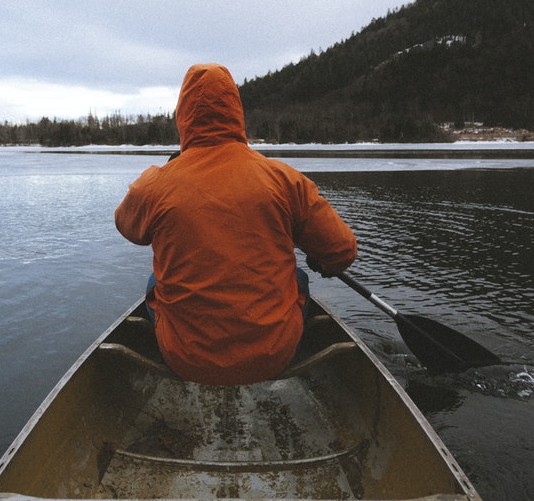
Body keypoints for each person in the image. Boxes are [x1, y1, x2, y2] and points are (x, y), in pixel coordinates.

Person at [114, 63, 357, 385]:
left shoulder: (155, 184)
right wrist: (321, 258)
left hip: (185, 359)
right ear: (236, 112)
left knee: (152, 282)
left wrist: (166, 175)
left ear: (183, 116)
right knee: (296, 276)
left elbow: (127, 226)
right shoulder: (284, 180)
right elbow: (342, 252)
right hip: (275, 355)